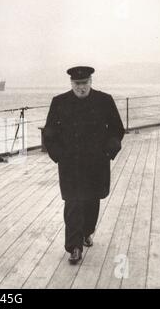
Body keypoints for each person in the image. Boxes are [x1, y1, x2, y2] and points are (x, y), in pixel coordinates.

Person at [43, 66, 125, 264]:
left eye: (84, 83)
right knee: (73, 203)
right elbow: (49, 133)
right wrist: (58, 156)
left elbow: (117, 129)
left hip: (96, 163)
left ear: (91, 82)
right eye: (77, 84)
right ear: (71, 84)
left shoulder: (104, 100)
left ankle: (87, 232)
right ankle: (74, 247)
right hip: (71, 164)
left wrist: (109, 151)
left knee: (91, 201)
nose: (81, 88)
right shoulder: (59, 102)